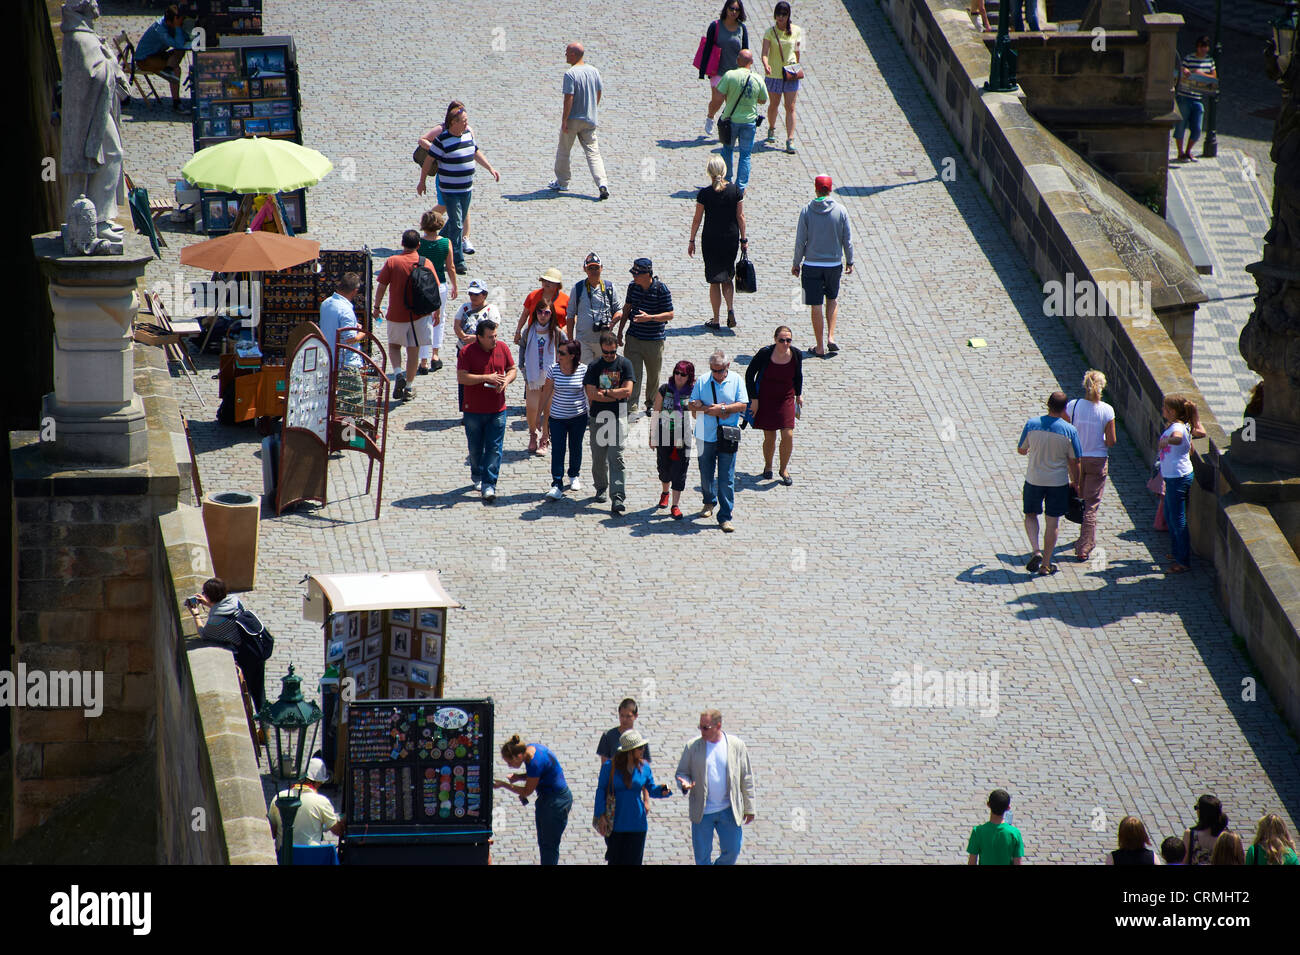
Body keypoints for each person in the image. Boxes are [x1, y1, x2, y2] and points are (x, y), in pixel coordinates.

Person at [675, 709, 755, 865]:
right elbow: (682, 772)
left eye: (706, 728)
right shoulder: (693, 747)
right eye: (700, 727)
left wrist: (749, 807)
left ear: (718, 726)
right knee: (702, 857)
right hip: (703, 811)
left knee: (733, 850)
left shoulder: (736, 745)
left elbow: (746, 777)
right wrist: (684, 783)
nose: (702, 731)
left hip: (728, 809)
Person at [429, 103, 500, 274]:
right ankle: (458, 261)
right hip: (449, 189)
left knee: (455, 222)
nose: (466, 124)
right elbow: (428, 160)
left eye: (467, 120)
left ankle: (434, 244)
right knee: (458, 225)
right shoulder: (442, 139)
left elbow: (475, 152)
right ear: (453, 122)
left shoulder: (468, 135)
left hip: (466, 188)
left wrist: (490, 168)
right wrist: (422, 181)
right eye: (463, 121)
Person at [1017, 391, 1082, 576]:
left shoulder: (1032, 424)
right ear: (1064, 408)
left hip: (1034, 479)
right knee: (1052, 522)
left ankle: (1036, 550)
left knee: (1030, 514)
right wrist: (1076, 482)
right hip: (1058, 482)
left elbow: (1022, 450)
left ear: (1047, 405)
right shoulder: (1070, 431)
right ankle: (1046, 564)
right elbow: (1075, 460)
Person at [792, 175, 854, 357]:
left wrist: (796, 263)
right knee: (832, 299)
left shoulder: (806, 211)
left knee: (816, 304)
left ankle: (819, 346)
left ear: (816, 188)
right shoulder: (841, 211)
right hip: (834, 265)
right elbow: (847, 239)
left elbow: (800, 241)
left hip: (811, 265)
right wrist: (850, 260)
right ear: (831, 189)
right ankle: (831, 337)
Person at [186, 577, 269, 710]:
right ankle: (265, 721)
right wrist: (210, 604)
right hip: (255, 648)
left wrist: (195, 614)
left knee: (248, 691)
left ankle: (259, 722)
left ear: (208, 596)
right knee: (259, 691)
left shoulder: (216, 621)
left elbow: (204, 634)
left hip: (245, 657)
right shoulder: (235, 601)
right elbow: (225, 611)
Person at [456, 319, 516, 502]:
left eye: (496, 335)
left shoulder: (503, 348)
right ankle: (477, 474)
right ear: (479, 337)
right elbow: (462, 377)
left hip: (497, 409)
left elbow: (512, 369)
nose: (494, 340)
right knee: (475, 449)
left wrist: (505, 381)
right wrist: (486, 377)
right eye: (490, 337)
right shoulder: (467, 352)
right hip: (473, 410)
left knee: (494, 448)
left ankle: (489, 484)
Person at [689, 350, 747, 532]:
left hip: (727, 436)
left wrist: (723, 408)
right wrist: (700, 406)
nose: (716, 374)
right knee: (706, 474)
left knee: (726, 478)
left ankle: (725, 516)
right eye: (713, 370)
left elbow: (743, 405)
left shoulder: (736, 380)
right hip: (705, 435)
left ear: (727, 366)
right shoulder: (703, 380)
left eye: (719, 370)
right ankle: (708, 502)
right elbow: (691, 405)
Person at [594, 731, 672, 865]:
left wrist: (663, 791)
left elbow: (651, 788)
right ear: (630, 751)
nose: (643, 750)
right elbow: (601, 790)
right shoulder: (609, 767)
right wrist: (600, 815)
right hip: (616, 823)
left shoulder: (644, 767)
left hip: (637, 824)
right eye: (640, 748)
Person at [495, 735, 572, 865]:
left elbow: (526, 792)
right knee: (544, 842)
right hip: (548, 800)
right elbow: (538, 774)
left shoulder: (534, 762)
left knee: (549, 846)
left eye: (509, 762)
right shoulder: (532, 750)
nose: (509, 766)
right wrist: (519, 777)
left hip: (555, 803)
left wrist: (503, 785)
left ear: (518, 756)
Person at [373, 230, 432, 401]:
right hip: (419, 315)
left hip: (396, 314)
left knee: (394, 346)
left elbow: (382, 286)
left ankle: (398, 373)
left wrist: (376, 307)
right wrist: (434, 312)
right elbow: (432, 288)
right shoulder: (425, 262)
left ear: (402, 244)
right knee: (413, 350)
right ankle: (408, 387)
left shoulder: (393, 261)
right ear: (419, 245)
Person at [1064, 370, 1116, 562]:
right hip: (1097, 458)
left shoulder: (1073, 406)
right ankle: (1084, 546)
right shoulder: (1107, 410)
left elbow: (1066, 431)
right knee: (1091, 505)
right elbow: (1111, 441)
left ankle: (1087, 539)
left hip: (1077, 458)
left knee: (1081, 496)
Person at [689, 156, 746, 329]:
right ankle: (730, 309)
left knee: (714, 280)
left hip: (711, 240)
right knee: (727, 277)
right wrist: (744, 239)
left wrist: (691, 240)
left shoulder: (704, 194)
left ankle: (715, 319)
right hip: (730, 239)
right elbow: (741, 217)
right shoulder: (736, 191)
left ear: (709, 172)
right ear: (724, 170)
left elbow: (697, 220)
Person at [549, 42, 609, 200]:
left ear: (574, 55)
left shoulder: (570, 74)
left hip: (573, 119)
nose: (565, 55)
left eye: (567, 52)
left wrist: (564, 120)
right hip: (589, 119)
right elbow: (599, 91)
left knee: (564, 151)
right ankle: (602, 184)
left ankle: (562, 182)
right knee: (594, 154)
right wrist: (593, 109)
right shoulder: (594, 71)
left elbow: (568, 98)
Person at [415, 100, 476, 255]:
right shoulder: (441, 130)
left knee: (463, 209)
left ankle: (464, 239)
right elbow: (422, 140)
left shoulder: (467, 130)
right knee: (444, 206)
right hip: (446, 177)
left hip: (463, 180)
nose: (464, 120)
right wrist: (437, 150)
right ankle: (428, 224)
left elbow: (473, 148)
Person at [583, 332, 635, 514]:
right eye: (606, 352)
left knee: (617, 457)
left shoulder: (625, 364)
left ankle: (618, 497)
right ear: (601, 349)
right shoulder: (594, 366)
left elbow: (627, 392)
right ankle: (601, 487)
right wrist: (614, 394)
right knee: (598, 458)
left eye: (612, 352)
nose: (609, 356)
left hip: (619, 416)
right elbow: (591, 394)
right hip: (598, 416)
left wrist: (604, 393)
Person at [617, 258, 675, 417]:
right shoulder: (632, 287)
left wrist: (650, 317)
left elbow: (670, 314)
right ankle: (631, 406)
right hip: (634, 338)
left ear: (647, 274)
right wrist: (620, 331)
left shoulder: (661, 289)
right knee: (632, 373)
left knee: (653, 374)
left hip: (654, 340)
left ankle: (651, 403)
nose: (633, 277)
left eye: (637, 274)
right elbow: (627, 308)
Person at [745, 326, 803, 484]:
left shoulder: (796, 354)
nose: (785, 343)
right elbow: (750, 374)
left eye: (788, 340)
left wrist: (799, 394)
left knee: (788, 434)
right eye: (782, 340)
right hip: (766, 398)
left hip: (786, 398)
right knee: (770, 436)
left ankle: (783, 469)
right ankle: (768, 466)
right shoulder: (765, 353)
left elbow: (798, 376)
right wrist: (754, 399)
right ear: (775, 339)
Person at [267, 757, 344, 857]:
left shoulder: (279, 797)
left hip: (284, 856)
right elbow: (337, 831)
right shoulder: (321, 802)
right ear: (317, 782)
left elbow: (271, 833)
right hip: (311, 858)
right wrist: (343, 820)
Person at [715, 49, 768, 196]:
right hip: (749, 122)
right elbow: (763, 100)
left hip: (731, 121)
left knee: (727, 150)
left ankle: (726, 181)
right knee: (745, 155)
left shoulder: (730, 75)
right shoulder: (757, 78)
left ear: (738, 60)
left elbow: (719, 94)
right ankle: (740, 187)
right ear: (751, 62)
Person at [541, 341, 588, 500]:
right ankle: (557, 483)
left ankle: (574, 474)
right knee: (558, 450)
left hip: (578, 417)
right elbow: (546, 395)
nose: (558, 356)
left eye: (562, 353)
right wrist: (541, 421)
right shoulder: (553, 370)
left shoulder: (583, 370)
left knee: (576, 447)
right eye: (558, 352)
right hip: (557, 418)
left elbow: (588, 394)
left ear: (572, 356)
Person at [651, 360, 697, 520]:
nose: (678, 376)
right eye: (676, 372)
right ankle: (665, 492)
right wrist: (652, 435)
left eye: (683, 374)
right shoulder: (665, 389)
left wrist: (696, 405)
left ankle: (675, 505)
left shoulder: (694, 392)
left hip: (683, 437)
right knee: (664, 467)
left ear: (689, 376)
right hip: (664, 435)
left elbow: (697, 415)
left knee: (680, 470)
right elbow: (656, 412)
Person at [318, 272, 368, 418]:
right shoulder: (346, 310)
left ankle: (340, 431)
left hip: (329, 360)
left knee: (336, 402)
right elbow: (350, 339)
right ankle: (352, 435)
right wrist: (362, 333)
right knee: (353, 404)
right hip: (346, 364)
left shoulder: (326, 303)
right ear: (355, 291)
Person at [1158, 393, 1198, 574]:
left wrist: (1167, 440)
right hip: (1174, 476)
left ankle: (1183, 560)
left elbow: (1178, 438)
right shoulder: (1179, 425)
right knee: (1170, 514)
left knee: (1177, 518)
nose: (1162, 410)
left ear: (1172, 411)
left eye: (1164, 408)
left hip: (1178, 478)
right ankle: (1176, 552)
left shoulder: (1178, 427)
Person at [519, 300, 563, 454]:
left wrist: (561, 371)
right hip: (532, 376)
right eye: (540, 312)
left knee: (548, 409)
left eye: (547, 312)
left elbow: (565, 351)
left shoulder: (557, 332)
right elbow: (522, 351)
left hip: (551, 377)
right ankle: (533, 434)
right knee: (531, 408)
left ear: (552, 315)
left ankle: (545, 438)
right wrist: (523, 370)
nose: (543, 316)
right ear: (535, 313)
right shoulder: (528, 331)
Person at [416, 209, 457, 374]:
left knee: (424, 321)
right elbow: (451, 266)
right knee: (439, 319)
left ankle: (423, 360)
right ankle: (435, 354)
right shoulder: (446, 242)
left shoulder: (419, 243)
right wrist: (455, 285)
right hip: (440, 284)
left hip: (423, 285)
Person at [701, 2, 751, 133]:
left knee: (731, 103)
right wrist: (703, 70)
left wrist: (746, 70)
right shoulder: (715, 26)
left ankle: (726, 127)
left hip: (735, 72)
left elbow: (746, 50)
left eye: (737, 10)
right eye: (731, 8)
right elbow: (707, 48)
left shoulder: (742, 28)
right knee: (717, 100)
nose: (734, 12)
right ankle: (710, 116)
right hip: (718, 70)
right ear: (726, 9)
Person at [761, 3, 803, 152]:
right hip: (774, 75)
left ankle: (790, 139)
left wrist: (797, 67)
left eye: (784, 14)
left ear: (788, 15)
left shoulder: (798, 31)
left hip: (791, 73)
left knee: (790, 107)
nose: (781, 17)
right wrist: (766, 65)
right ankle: (772, 128)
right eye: (778, 14)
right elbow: (765, 53)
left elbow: (798, 52)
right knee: (774, 104)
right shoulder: (769, 32)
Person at [568, 252, 623, 364]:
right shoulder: (578, 288)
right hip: (583, 341)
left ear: (601, 268)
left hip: (604, 342)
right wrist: (570, 340)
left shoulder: (609, 287)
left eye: (596, 267)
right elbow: (570, 314)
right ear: (585, 269)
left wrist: (612, 323)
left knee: (604, 376)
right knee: (586, 375)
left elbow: (619, 310)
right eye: (590, 268)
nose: (593, 271)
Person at [134, 4, 190, 111]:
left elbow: (183, 40)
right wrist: (178, 28)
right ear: (170, 22)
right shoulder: (160, 30)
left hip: (157, 54)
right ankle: (176, 102)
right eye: (177, 23)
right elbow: (178, 43)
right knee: (176, 70)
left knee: (180, 52)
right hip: (145, 60)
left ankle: (169, 67)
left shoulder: (168, 24)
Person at [1173, 36, 1216, 163]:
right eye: (1201, 46)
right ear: (1197, 47)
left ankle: (1188, 151)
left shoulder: (1210, 61)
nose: (1203, 49)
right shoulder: (1189, 58)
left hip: (1198, 98)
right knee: (1180, 125)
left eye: (1206, 47)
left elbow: (1213, 78)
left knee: (1197, 128)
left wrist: (1201, 74)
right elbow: (1180, 69)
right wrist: (1184, 69)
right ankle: (1180, 153)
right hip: (1185, 97)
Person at [512, 268, 570, 346]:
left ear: (557, 285)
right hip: (534, 337)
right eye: (544, 280)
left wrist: (566, 328)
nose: (546, 283)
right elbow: (524, 315)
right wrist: (518, 331)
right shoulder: (532, 296)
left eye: (550, 281)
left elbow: (573, 316)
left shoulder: (565, 299)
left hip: (556, 338)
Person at [966, 788, 1024, 865]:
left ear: (988, 805)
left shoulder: (978, 831)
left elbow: (972, 862)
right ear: (1008, 808)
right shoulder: (1015, 834)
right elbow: (1018, 862)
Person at [596, 698, 650, 764]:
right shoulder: (608, 736)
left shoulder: (641, 740)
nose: (624, 719)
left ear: (635, 716)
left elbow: (645, 765)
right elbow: (604, 764)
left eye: (628, 716)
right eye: (622, 715)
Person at [1181, 794, 1230, 865]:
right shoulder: (1226, 836)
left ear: (1201, 813)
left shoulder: (1190, 834)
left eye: (1196, 807)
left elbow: (1184, 861)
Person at [452, 280, 501, 346]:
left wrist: (477, 338)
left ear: (485, 295)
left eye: (476, 294)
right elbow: (456, 325)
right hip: (463, 347)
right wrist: (464, 337)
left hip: (482, 348)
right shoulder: (464, 307)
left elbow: (493, 328)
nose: (473, 297)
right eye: (470, 294)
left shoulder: (491, 309)